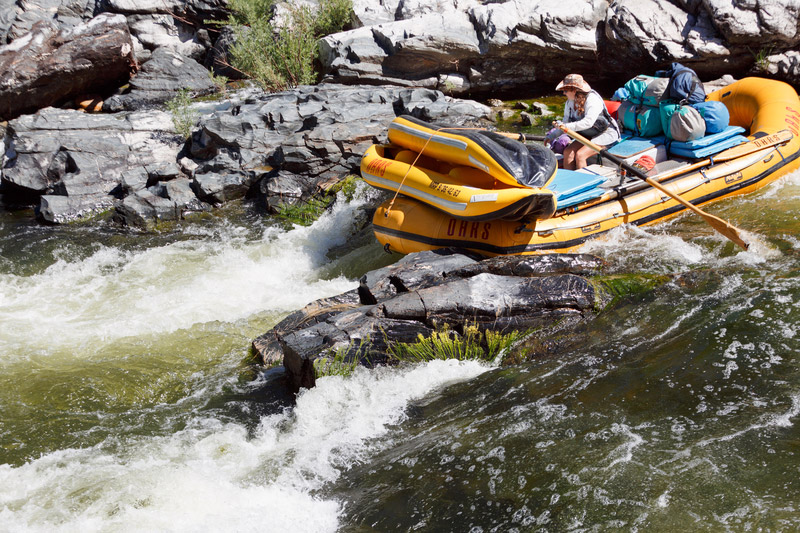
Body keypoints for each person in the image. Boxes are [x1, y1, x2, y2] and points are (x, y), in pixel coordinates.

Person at [552, 74, 620, 170]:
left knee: (580, 155)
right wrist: (552, 136)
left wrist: (566, 126)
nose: (564, 93)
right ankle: (569, 181)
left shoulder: (592, 99)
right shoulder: (569, 102)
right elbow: (565, 123)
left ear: (574, 90)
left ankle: (584, 182)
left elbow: (588, 122)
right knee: (568, 152)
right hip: (587, 133)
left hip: (605, 133)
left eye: (565, 90)